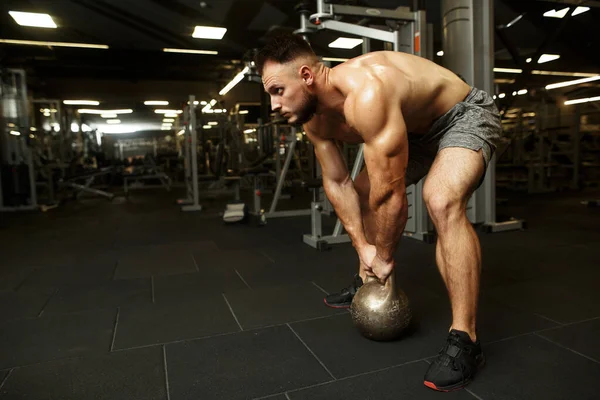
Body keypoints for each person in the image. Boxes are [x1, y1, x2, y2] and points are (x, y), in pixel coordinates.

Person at [255, 31, 501, 392]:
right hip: (415, 132)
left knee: (440, 199)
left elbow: (391, 197)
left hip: (462, 115)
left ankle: (466, 339)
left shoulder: (367, 93)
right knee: (362, 189)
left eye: (278, 91)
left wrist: (384, 255)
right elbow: (338, 184)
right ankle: (365, 278)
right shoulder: (315, 119)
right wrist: (363, 249)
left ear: (307, 76)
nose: (274, 105)